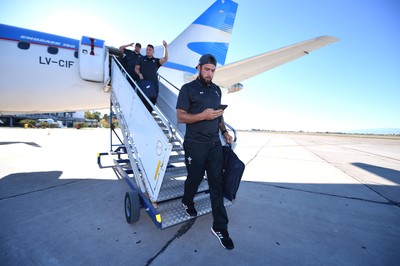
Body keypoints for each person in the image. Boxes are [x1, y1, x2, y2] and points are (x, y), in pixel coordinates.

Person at [176, 54, 234, 250]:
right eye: (207, 69)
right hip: (195, 144)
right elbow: (181, 117)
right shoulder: (188, 89)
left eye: (213, 70)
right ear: (199, 68)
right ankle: (187, 200)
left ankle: (220, 227)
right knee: (194, 178)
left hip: (214, 145)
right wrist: (203, 115)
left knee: (217, 183)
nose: (210, 74)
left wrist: (224, 131)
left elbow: (218, 116)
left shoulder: (217, 90)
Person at [135, 41, 168, 111]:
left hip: (154, 87)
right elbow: (136, 68)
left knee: (150, 107)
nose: (148, 51)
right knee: (141, 106)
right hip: (143, 85)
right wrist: (139, 74)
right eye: (147, 49)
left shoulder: (156, 61)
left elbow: (165, 59)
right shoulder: (141, 59)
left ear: (153, 52)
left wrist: (165, 48)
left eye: (150, 50)